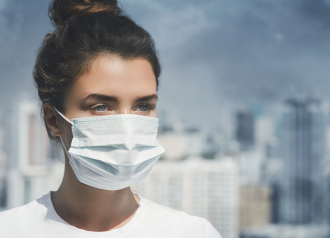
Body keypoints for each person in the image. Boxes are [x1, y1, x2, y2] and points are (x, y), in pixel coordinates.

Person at [0, 0, 222, 237]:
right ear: (54, 120)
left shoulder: (193, 233)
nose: (127, 128)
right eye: (102, 107)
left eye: (143, 106)